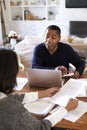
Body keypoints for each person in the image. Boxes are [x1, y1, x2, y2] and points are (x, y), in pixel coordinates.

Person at [0, 48, 78, 130]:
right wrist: (66, 109)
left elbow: (13, 98)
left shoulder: (5, 100)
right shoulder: (11, 108)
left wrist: (43, 93)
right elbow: (40, 127)